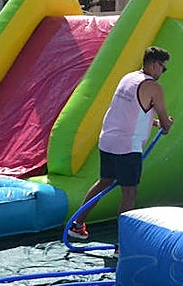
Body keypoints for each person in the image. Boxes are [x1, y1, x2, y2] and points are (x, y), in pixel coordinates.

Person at [68, 47, 173, 240]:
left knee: (104, 182)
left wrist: (154, 122)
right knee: (129, 193)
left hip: (108, 140)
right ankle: (122, 243)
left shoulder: (128, 78)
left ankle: (77, 225)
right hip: (127, 146)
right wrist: (165, 124)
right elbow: (165, 121)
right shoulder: (153, 87)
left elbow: (131, 110)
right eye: (163, 68)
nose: (162, 73)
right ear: (154, 64)